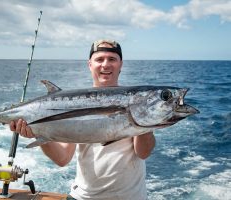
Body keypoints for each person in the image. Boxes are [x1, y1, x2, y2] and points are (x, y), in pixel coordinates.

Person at [10, 39, 155, 200]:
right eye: (99, 59)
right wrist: (38, 133)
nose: (105, 65)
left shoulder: (134, 100)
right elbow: (62, 158)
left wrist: (146, 121)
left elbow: (143, 153)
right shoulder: (75, 102)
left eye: (112, 59)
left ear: (121, 64)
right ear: (90, 64)